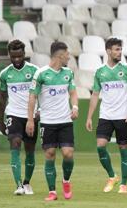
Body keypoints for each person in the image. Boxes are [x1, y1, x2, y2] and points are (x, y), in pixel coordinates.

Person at [26, 42, 78, 201]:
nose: (69, 57)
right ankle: (52, 192)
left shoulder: (68, 73)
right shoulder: (40, 74)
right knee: (49, 154)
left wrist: (75, 107)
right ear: (60, 55)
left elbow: (73, 92)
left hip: (65, 121)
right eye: (67, 54)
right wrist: (30, 120)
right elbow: (32, 97)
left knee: (68, 154)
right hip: (48, 122)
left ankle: (66, 181)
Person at [85, 38, 127, 194]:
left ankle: (123, 184)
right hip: (106, 115)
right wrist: (89, 117)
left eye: (120, 49)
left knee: (123, 149)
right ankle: (112, 176)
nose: (119, 52)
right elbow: (95, 94)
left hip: (123, 116)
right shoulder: (100, 71)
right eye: (116, 49)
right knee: (100, 146)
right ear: (108, 51)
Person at [0, 39, 40, 195]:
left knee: (29, 150)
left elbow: (43, 93)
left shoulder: (35, 71)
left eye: (19, 56)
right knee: (15, 144)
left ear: (24, 54)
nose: (16, 60)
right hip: (13, 113)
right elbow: (2, 98)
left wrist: (39, 111)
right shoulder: (5, 74)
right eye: (13, 57)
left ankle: (28, 183)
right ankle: (19, 185)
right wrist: (1, 121)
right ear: (9, 55)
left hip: (31, 117)